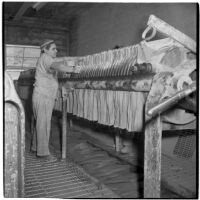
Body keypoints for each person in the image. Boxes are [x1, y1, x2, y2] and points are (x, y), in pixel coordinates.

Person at [31, 39, 80, 161]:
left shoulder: (44, 58)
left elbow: (53, 72)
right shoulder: (46, 57)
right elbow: (56, 65)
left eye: (56, 48)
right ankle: (43, 154)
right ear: (45, 50)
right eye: (53, 48)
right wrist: (72, 69)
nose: (56, 51)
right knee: (44, 124)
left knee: (40, 123)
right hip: (43, 96)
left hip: (41, 95)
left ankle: (35, 148)